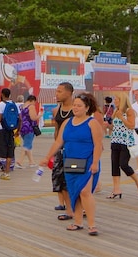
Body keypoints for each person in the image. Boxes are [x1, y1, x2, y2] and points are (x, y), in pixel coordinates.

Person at [44, 92, 103, 236]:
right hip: (70, 162)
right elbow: (59, 141)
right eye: (74, 105)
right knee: (74, 192)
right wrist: (47, 157)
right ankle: (77, 222)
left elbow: (98, 145)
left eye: (79, 106)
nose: (75, 108)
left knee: (85, 192)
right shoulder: (67, 122)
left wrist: (95, 163)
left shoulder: (92, 123)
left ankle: (92, 224)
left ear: (87, 108)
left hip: (88, 161)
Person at [105, 93, 138, 199]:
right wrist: (108, 126)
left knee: (123, 164)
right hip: (115, 140)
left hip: (126, 142)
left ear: (122, 100)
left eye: (117, 99)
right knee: (114, 165)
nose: (115, 101)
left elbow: (131, 126)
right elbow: (116, 127)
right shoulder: (116, 111)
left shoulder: (129, 111)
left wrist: (122, 118)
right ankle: (116, 189)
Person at [50, 82, 74, 213]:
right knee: (60, 179)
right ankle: (69, 210)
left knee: (74, 179)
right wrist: (55, 150)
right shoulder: (56, 110)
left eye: (60, 91)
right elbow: (56, 131)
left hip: (74, 149)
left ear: (69, 92)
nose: (56, 94)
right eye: (56, 91)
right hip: (61, 149)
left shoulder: (76, 109)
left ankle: (80, 207)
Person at [0, 87, 18, 180]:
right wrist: (18, 131)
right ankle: (6, 173)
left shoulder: (0, 105)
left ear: (2, 94)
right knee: (9, 153)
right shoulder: (14, 104)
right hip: (10, 130)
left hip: (1, 130)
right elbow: (19, 119)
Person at [19, 95, 40, 167]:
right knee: (26, 145)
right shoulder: (31, 107)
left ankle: (31, 162)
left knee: (28, 144)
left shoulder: (23, 106)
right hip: (29, 128)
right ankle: (20, 161)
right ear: (33, 100)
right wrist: (40, 115)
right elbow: (33, 118)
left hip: (22, 127)